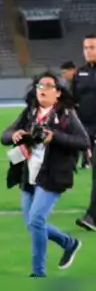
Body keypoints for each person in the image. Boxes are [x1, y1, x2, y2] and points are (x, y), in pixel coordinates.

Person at [1, 72, 88, 277]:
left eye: (49, 86)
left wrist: (54, 137)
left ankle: (38, 272)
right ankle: (69, 243)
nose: (43, 89)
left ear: (57, 93)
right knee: (32, 223)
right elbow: (5, 135)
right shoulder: (30, 112)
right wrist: (13, 135)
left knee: (37, 220)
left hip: (53, 175)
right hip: (28, 174)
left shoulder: (66, 115)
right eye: (40, 85)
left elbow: (83, 141)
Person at [72, 34, 96, 232]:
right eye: (86, 47)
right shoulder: (80, 74)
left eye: (92, 47)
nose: (88, 51)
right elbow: (73, 104)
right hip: (86, 131)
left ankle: (92, 216)